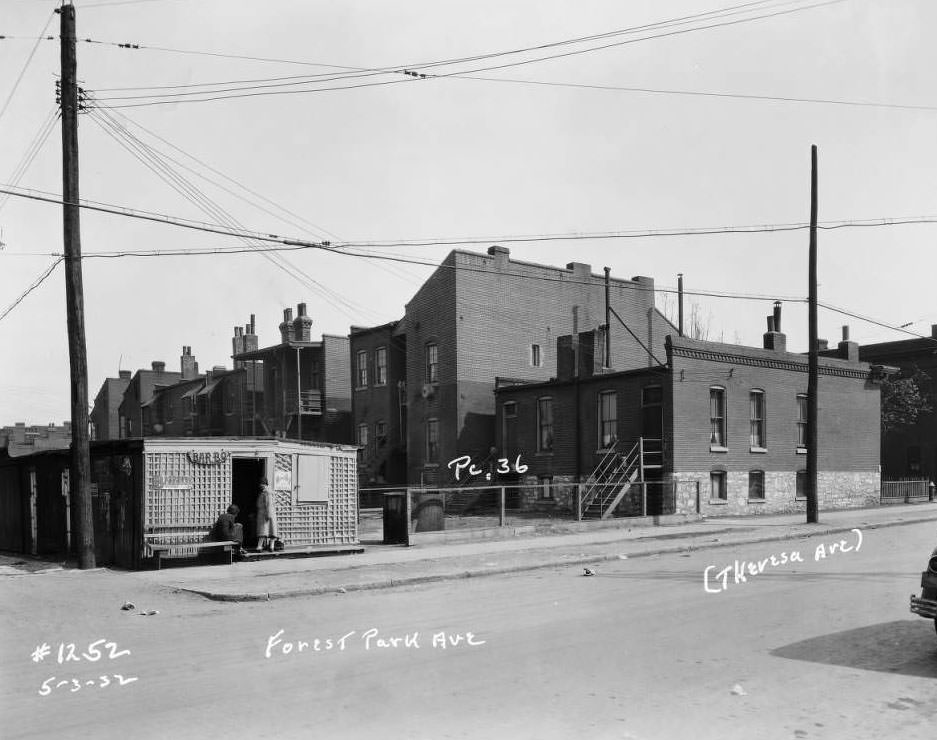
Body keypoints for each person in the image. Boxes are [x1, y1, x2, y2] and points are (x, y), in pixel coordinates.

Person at [255, 478, 278, 552]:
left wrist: (268, 514)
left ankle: (260, 547)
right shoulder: (267, 491)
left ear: (263, 484)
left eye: (261, 484)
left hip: (265, 514)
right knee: (269, 531)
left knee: (263, 531)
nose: (260, 486)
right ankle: (271, 546)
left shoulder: (267, 492)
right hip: (267, 513)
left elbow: (269, 504)